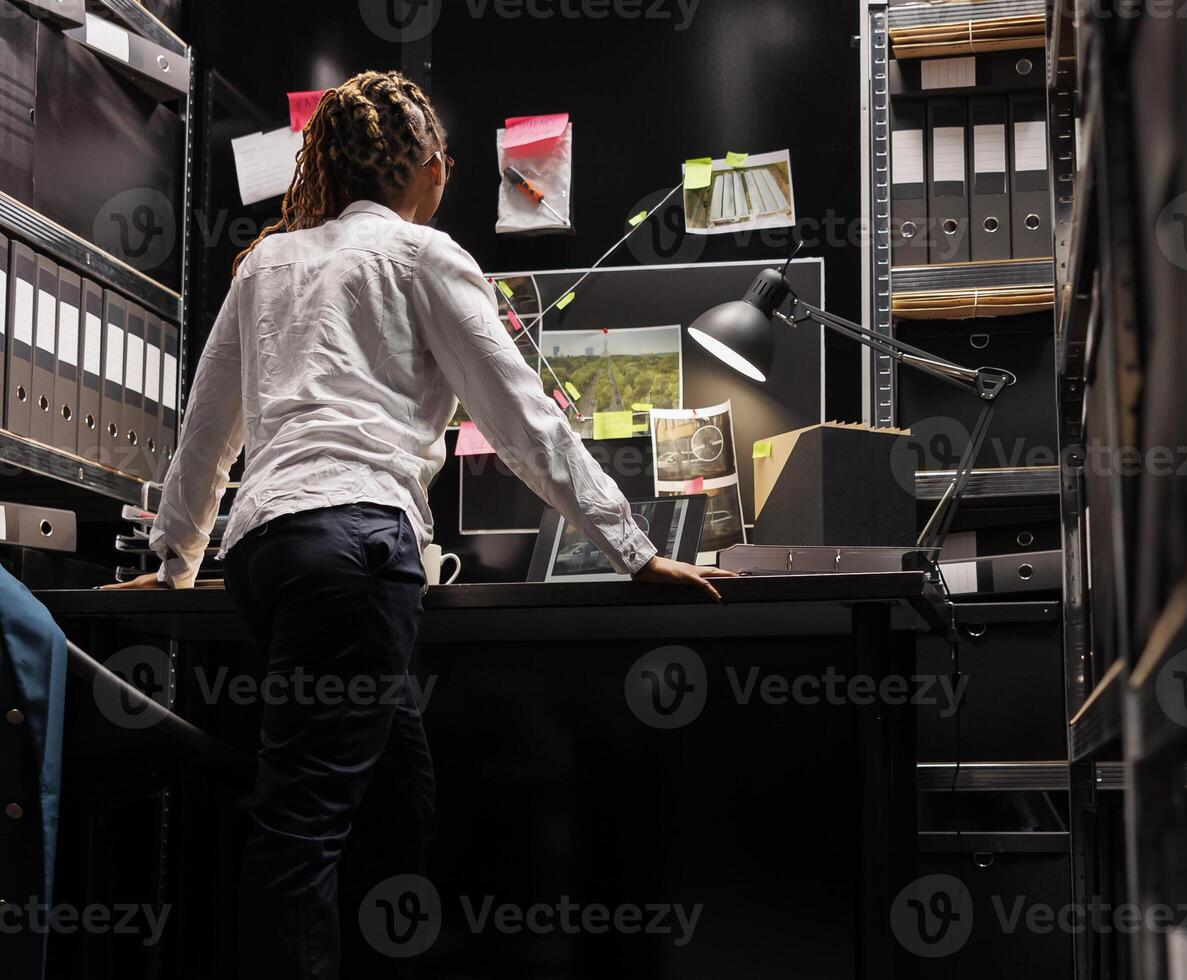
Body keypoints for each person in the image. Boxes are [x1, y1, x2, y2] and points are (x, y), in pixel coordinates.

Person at [104, 69, 734, 977]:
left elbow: (207, 433)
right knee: (301, 831)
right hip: (356, 549)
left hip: (270, 551)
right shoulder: (423, 256)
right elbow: (526, 420)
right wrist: (632, 549)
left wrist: (174, 562)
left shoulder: (268, 264)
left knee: (401, 795)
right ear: (431, 169)